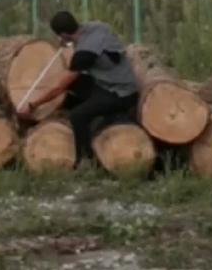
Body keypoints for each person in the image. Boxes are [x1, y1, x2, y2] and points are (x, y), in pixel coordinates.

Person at [16, 11, 139, 166]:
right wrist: (69, 42)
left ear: (63, 34)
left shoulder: (84, 54)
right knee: (76, 84)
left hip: (120, 92)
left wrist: (34, 104)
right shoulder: (97, 27)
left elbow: (60, 87)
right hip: (109, 80)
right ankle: (95, 115)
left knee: (77, 116)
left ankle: (85, 159)